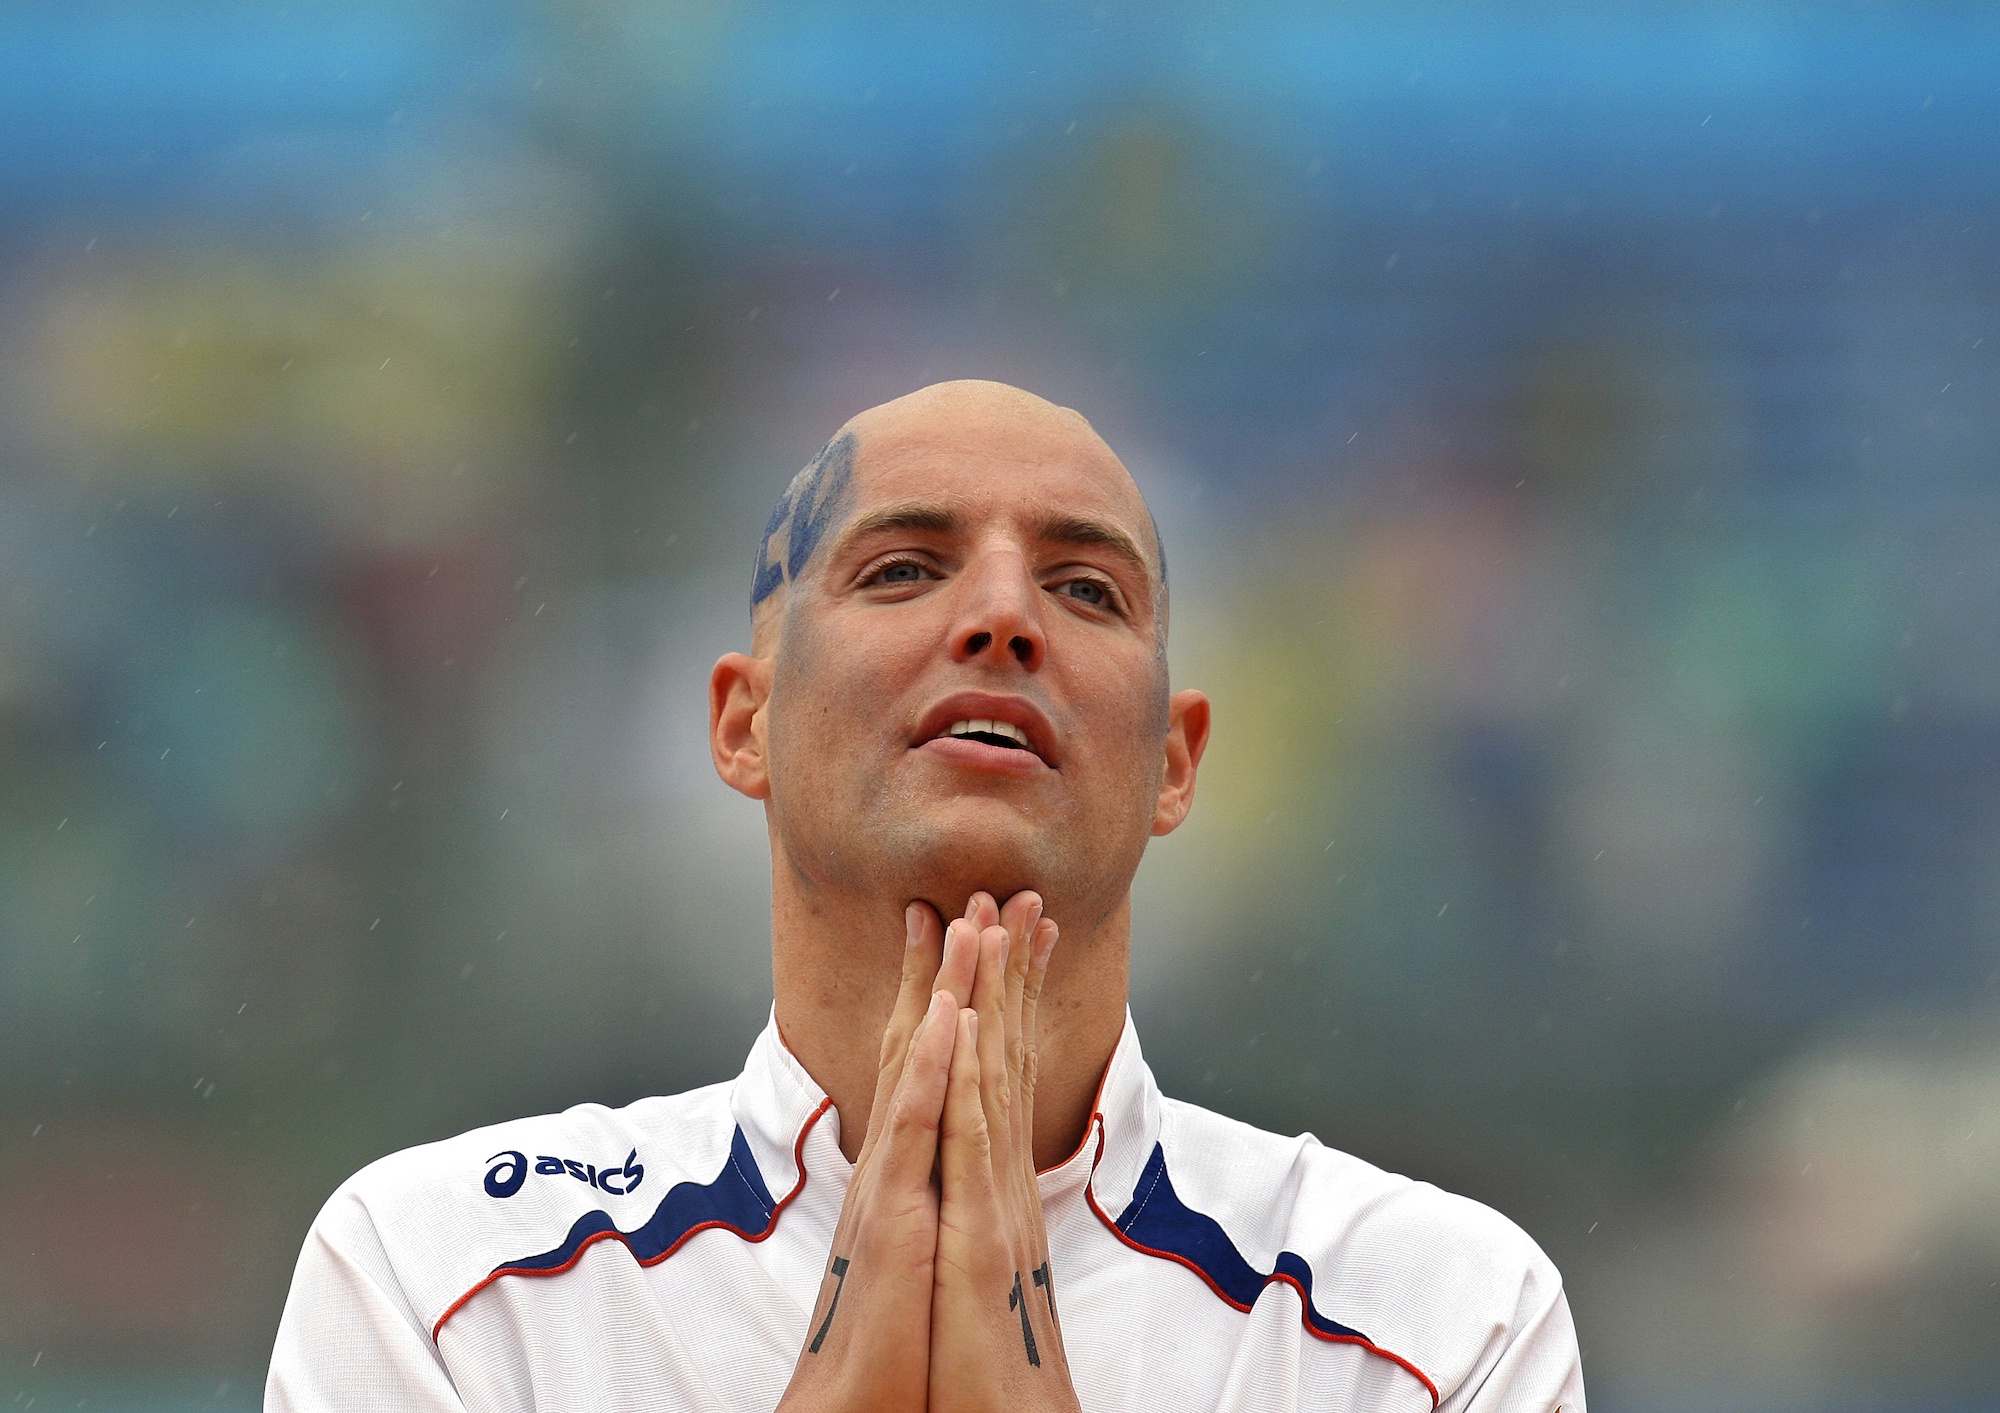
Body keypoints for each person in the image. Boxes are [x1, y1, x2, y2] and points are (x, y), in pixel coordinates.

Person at [266, 381, 1585, 1412]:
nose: (1003, 615)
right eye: (902, 567)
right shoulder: (445, 1281)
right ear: (744, 723)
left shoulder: (1436, 1321)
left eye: (1085, 588)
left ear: (1174, 762)